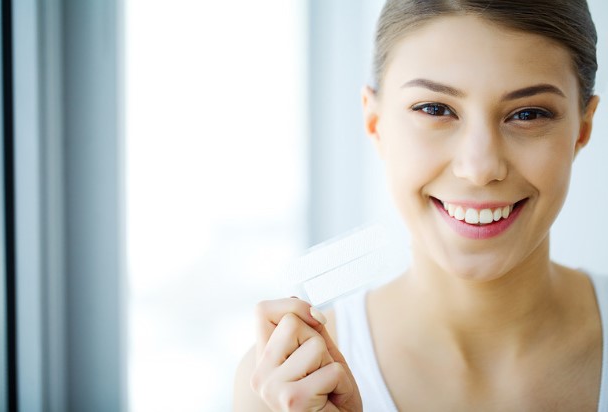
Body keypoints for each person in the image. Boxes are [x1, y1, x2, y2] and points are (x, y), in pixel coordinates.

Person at [234, 0, 605, 410]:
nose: (479, 168)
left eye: (529, 114)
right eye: (435, 109)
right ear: (375, 123)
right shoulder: (282, 389)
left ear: (582, 128)